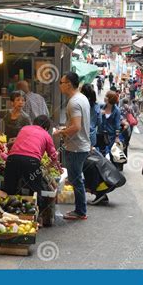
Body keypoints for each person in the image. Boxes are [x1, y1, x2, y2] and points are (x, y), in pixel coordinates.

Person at [3, 115, 61, 211]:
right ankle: (38, 217)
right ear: (46, 128)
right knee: (35, 190)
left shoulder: (24, 128)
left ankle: (6, 214)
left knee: (9, 189)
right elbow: (54, 156)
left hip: (12, 159)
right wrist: (48, 167)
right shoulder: (46, 134)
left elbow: (15, 143)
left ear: (34, 123)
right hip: (31, 162)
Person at [54, 72, 91, 220]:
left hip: (76, 147)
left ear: (68, 84)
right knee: (77, 178)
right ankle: (80, 210)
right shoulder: (82, 98)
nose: (60, 85)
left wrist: (60, 132)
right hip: (81, 145)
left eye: (61, 82)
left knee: (76, 179)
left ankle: (81, 211)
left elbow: (76, 126)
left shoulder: (74, 102)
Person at [98, 91, 121, 168]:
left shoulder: (116, 110)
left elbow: (117, 125)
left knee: (112, 154)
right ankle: (102, 172)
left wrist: (117, 137)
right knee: (101, 154)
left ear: (110, 99)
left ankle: (113, 171)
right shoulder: (101, 107)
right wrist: (99, 114)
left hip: (111, 135)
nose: (105, 97)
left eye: (106, 96)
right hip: (101, 134)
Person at [81, 83, 101, 147]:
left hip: (80, 136)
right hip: (92, 136)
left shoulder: (80, 105)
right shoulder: (96, 106)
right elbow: (99, 122)